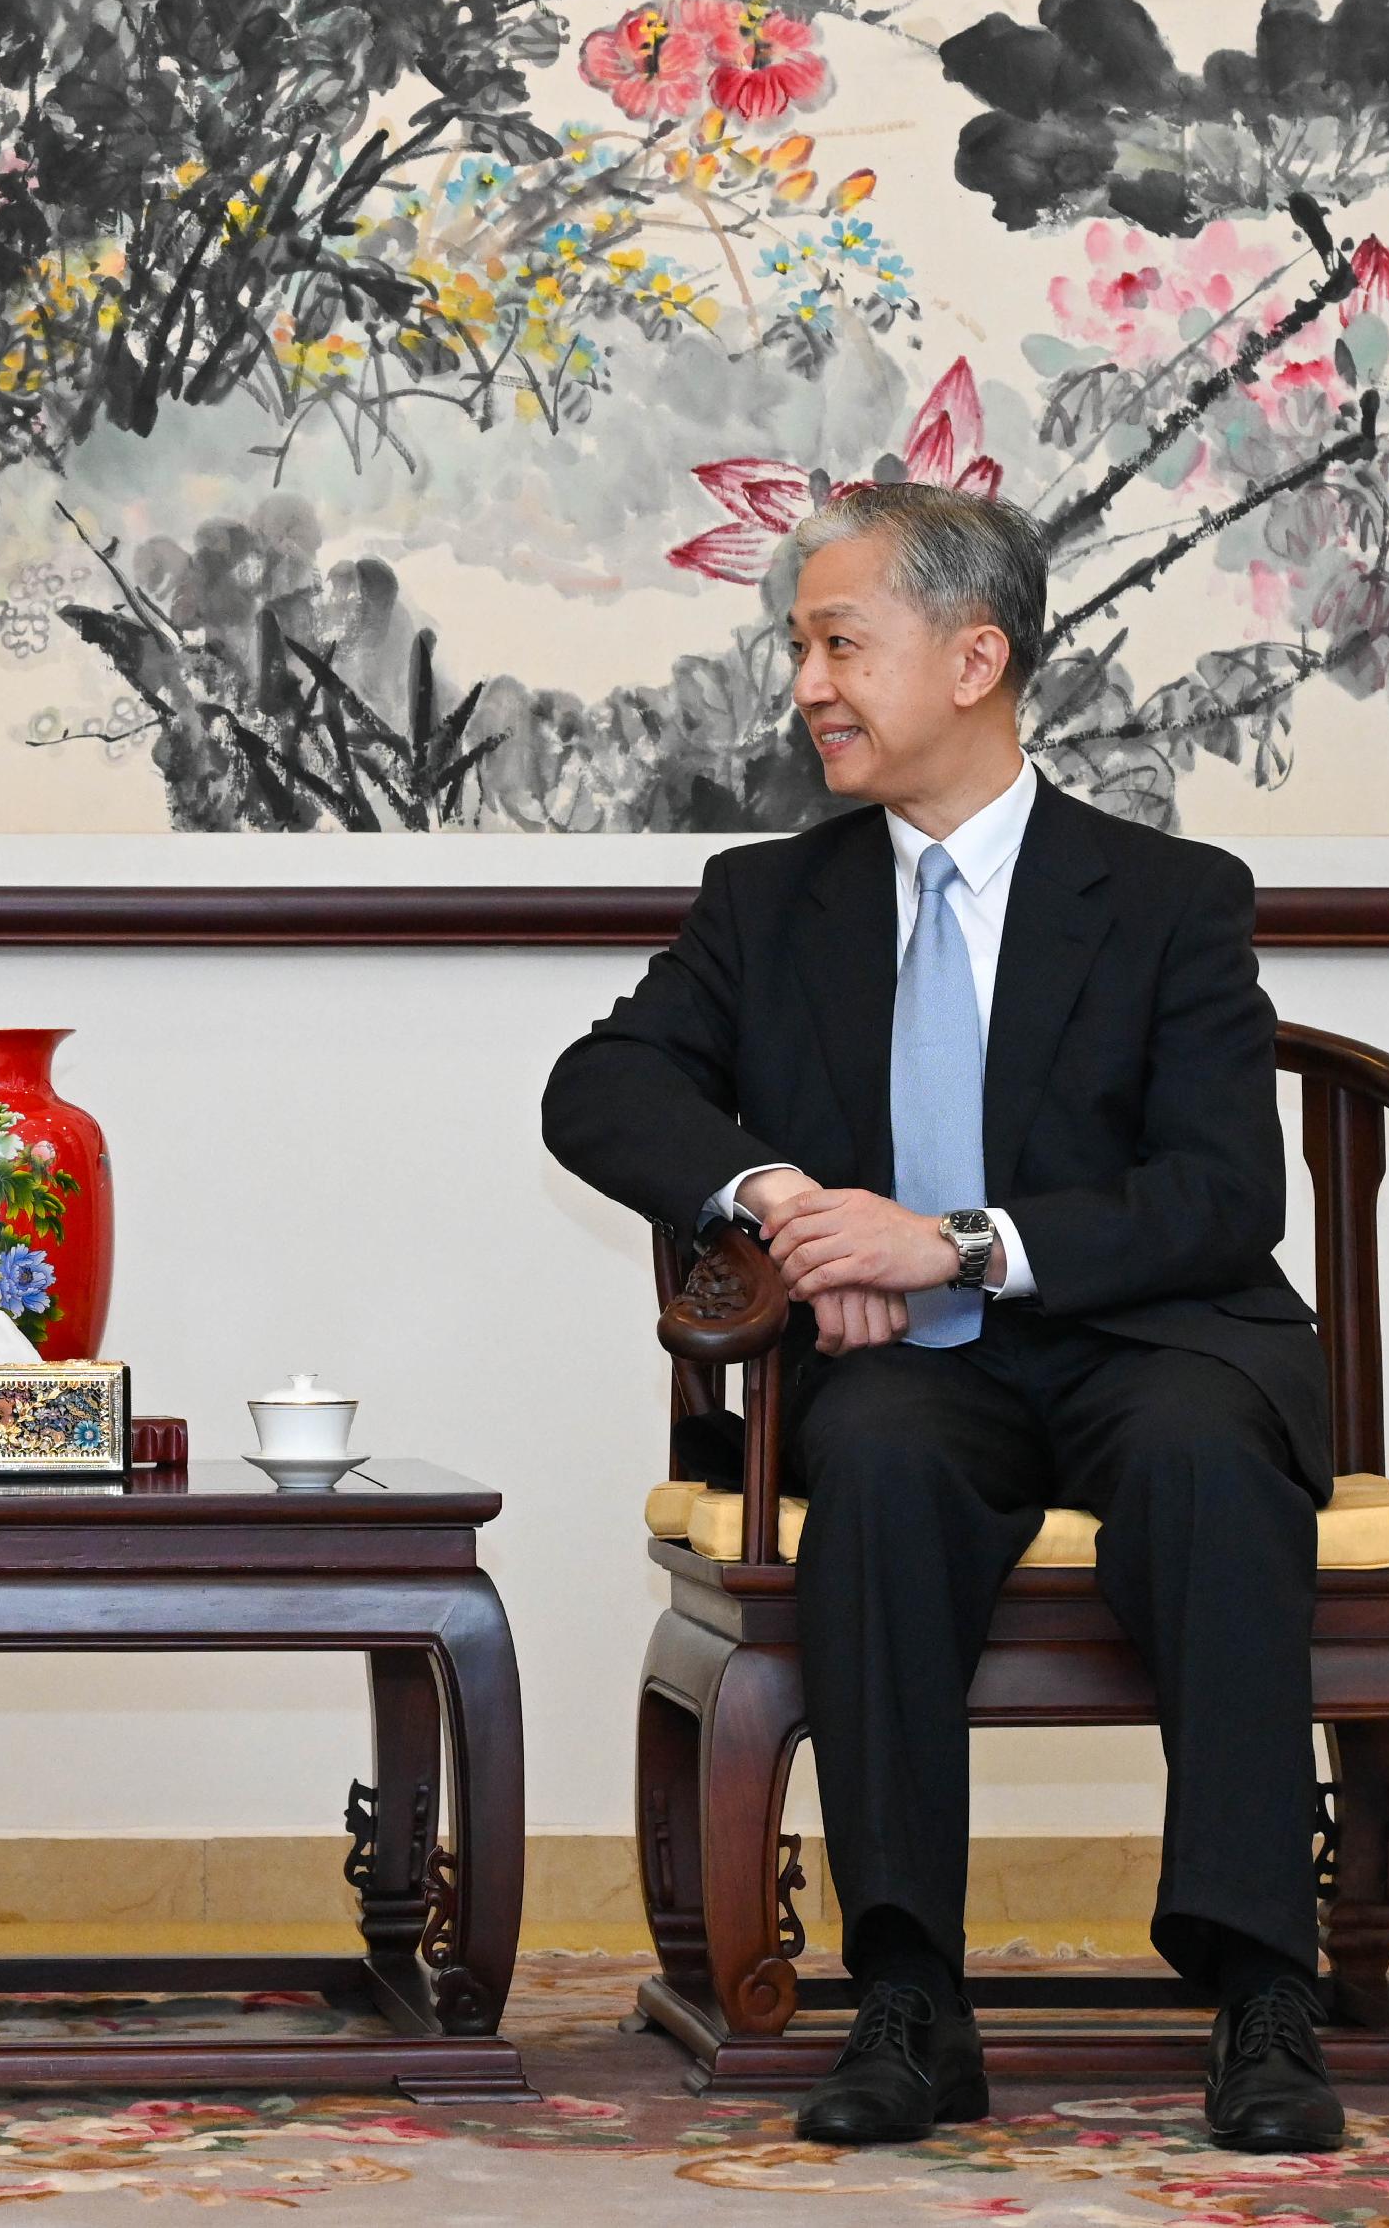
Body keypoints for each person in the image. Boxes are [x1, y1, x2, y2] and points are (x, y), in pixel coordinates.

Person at [540, 485, 1344, 2155]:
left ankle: (1263, 1983)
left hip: (1150, 1340)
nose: (808, 685)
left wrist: (951, 1242)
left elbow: (1220, 1195)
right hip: (909, 1376)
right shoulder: (770, 900)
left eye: (840, 643)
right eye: (798, 648)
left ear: (976, 657)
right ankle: (910, 1992)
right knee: (886, 1472)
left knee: (1206, 1457)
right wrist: (787, 1207)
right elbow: (598, 1087)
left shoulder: (1173, 893)